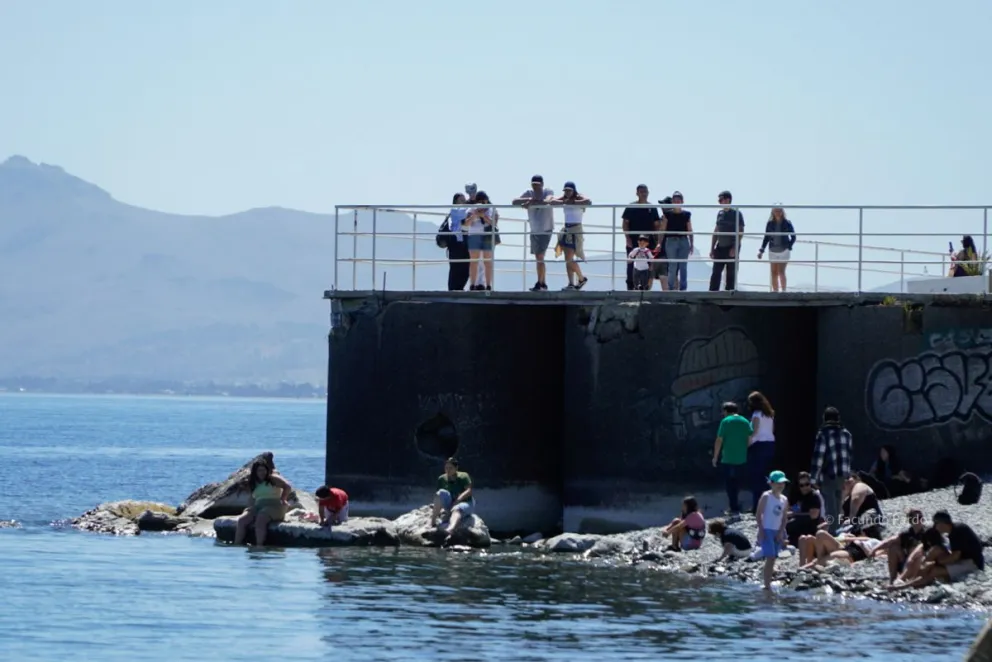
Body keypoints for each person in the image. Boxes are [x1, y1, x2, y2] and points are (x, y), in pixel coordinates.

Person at [892, 511, 985, 589]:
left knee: (934, 570)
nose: (935, 527)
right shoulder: (954, 530)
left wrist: (938, 562)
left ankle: (906, 586)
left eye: (936, 524)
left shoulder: (958, 531)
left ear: (943, 523)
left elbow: (955, 556)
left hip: (972, 563)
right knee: (935, 550)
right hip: (963, 560)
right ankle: (914, 579)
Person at [810, 406, 852, 534]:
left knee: (830, 506)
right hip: (842, 475)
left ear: (825, 419)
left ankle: (833, 534)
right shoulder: (847, 434)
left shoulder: (823, 434)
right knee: (838, 505)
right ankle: (838, 530)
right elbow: (849, 455)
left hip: (829, 475)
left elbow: (818, 458)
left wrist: (813, 478)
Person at [233, 459, 293, 546]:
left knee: (260, 519)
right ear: (255, 472)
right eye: (259, 470)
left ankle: (259, 546)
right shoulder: (253, 482)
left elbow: (287, 486)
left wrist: (283, 499)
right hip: (259, 506)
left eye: (264, 470)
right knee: (242, 520)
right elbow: (252, 498)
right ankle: (237, 544)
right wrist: (250, 509)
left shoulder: (273, 478)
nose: (262, 472)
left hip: (275, 506)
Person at [513, 175, 555, 292]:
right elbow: (514, 201)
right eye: (533, 184)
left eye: (537, 184)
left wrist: (532, 202)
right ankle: (542, 282)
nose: (535, 186)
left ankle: (540, 283)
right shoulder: (529, 193)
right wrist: (528, 201)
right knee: (538, 257)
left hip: (545, 228)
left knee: (540, 256)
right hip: (534, 229)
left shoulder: (547, 191)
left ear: (542, 184)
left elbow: (548, 200)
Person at [711, 401, 752, 515]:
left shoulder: (725, 421)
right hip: (741, 457)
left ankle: (733, 507)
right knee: (738, 482)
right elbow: (749, 439)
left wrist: (715, 457)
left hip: (728, 457)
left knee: (730, 483)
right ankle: (736, 504)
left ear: (725, 411)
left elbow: (719, 439)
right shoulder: (745, 421)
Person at [549, 182, 590, 290]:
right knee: (567, 258)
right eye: (565, 191)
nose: (567, 193)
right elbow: (552, 201)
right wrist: (563, 201)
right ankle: (571, 283)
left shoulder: (579, 197)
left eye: (569, 190)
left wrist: (573, 201)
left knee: (569, 258)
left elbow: (588, 201)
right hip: (566, 229)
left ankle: (581, 278)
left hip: (575, 229)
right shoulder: (564, 198)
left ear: (574, 190)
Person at [870, 508, 926, 584]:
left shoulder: (927, 532)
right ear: (911, 521)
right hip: (907, 563)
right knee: (893, 547)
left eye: (920, 518)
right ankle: (893, 579)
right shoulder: (908, 533)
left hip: (921, 564)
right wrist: (875, 549)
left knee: (917, 550)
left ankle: (907, 579)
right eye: (916, 519)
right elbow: (891, 540)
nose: (919, 521)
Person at [621, 185, 661, 290]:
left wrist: (658, 242)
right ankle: (630, 287)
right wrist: (627, 238)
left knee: (648, 265)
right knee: (631, 264)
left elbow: (657, 225)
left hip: (649, 242)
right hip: (634, 240)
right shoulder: (631, 206)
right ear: (637, 193)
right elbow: (625, 223)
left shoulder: (652, 208)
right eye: (641, 191)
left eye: (645, 191)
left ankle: (645, 287)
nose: (644, 193)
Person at [755, 471, 790, 590]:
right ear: (771, 483)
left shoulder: (784, 499)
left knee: (774, 557)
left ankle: (767, 580)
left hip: (777, 531)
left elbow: (784, 518)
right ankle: (766, 585)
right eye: (778, 483)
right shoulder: (766, 496)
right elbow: (759, 514)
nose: (781, 485)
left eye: (783, 483)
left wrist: (781, 532)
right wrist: (761, 530)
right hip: (767, 529)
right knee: (770, 557)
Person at [431, 457, 475, 542]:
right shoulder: (442, 478)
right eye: (446, 468)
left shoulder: (463, 476)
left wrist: (457, 501)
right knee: (439, 493)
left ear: (456, 468)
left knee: (456, 509)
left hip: (465, 503)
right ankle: (432, 522)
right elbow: (439, 496)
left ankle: (450, 529)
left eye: (450, 468)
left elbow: (469, 491)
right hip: (450, 502)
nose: (448, 470)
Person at [746, 391, 776, 514]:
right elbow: (772, 430)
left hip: (759, 446)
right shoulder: (769, 414)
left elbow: (754, 432)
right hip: (770, 445)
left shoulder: (756, 414)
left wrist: (747, 444)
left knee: (756, 477)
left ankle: (757, 505)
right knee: (764, 474)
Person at [708, 190, 744, 292]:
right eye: (719, 200)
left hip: (731, 247)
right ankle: (712, 293)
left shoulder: (736, 213)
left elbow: (741, 231)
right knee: (716, 272)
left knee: (731, 273)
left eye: (721, 199)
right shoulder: (720, 213)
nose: (720, 202)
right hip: (720, 247)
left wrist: (734, 247)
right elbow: (716, 231)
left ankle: (729, 293)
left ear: (728, 200)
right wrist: (712, 248)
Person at [786, 472, 825, 560]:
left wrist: (794, 514)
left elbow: (814, 515)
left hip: (810, 525)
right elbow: (789, 508)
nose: (805, 487)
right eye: (802, 485)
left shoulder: (814, 496)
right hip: (798, 525)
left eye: (807, 484)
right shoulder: (797, 495)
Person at [758, 205, 796, 292]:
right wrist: (761, 250)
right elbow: (766, 238)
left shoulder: (787, 223)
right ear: (772, 212)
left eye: (779, 211)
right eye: (776, 211)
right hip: (772, 250)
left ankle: (783, 291)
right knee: (773, 272)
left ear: (782, 212)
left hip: (784, 250)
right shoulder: (769, 223)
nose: (778, 213)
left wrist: (789, 246)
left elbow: (793, 237)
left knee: (781, 271)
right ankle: (775, 292)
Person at [661, 191, 693, 291]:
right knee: (672, 265)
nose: (677, 202)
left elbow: (690, 229)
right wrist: (659, 243)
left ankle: (683, 288)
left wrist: (692, 244)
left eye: (678, 200)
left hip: (683, 240)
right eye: (675, 200)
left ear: (682, 201)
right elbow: (663, 229)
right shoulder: (668, 214)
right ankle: (671, 288)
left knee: (683, 265)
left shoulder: (687, 214)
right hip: (671, 241)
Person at [466, 191, 498, 291]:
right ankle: (472, 285)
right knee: (473, 261)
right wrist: (474, 215)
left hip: (487, 236)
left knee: (487, 261)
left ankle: (488, 285)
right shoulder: (471, 209)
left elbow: (494, 223)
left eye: (483, 201)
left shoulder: (492, 209)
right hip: (474, 235)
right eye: (479, 202)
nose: (482, 204)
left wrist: (484, 216)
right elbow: (466, 224)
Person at [839, 473, 884, 539]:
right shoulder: (846, 497)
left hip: (867, 525)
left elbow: (856, 499)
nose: (846, 481)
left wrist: (851, 519)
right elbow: (841, 515)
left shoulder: (859, 485)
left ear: (857, 479)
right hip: (855, 528)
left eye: (848, 478)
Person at [443, 193, 470, 291]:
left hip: (464, 244)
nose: (463, 203)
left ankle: (459, 289)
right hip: (455, 244)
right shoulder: (453, 213)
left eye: (464, 201)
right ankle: (453, 290)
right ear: (455, 202)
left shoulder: (466, 212)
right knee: (455, 269)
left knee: (466, 268)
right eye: (461, 201)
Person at [651, 196, 671, 291]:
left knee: (665, 278)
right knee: (650, 277)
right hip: (657, 253)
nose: (662, 207)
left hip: (667, 254)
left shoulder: (673, 219)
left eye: (664, 205)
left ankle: (671, 299)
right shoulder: (660, 220)